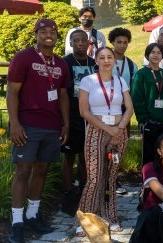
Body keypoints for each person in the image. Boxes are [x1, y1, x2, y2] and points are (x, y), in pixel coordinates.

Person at [7, 19, 70, 242]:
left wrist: (65, 123)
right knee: (23, 171)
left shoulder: (61, 63)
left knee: (42, 171)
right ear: (36, 34)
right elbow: (12, 92)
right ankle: (17, 222)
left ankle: (33, 216)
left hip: (51, 126)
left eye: (52, 30)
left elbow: (62, 95)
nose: (48, 34)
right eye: (43, 30)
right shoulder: (24, 58)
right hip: (27, 125)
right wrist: (14, 123)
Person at [76, 47, 133, 236]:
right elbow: (84, 111)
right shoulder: (88, 81)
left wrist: (120, 128)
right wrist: (108, 129)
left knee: (111, 176)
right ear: (96, 61)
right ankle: (86, 219)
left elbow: (129, 108)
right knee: (94, 177)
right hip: (96, 131)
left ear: (114, 61)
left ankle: (111, 217)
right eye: (102, 57)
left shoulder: (120, 81)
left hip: (119, 131)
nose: (106, 60)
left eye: (110, 57)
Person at [61, 29, 96, 214]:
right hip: (71, 115)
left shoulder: (93, 63)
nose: (81, 43)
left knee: (85, 156)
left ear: (89, 43)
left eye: (84, 40)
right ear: (72, 43)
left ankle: (84, 191)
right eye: (76, 40)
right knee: (68, 156)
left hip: (89, 116)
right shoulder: (64, 62)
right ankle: (67, 192)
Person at [132, 43, 163, 165]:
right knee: (149, 155)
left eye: (159, 52)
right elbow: (137, 98)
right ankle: (148, 182)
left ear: (162, 56)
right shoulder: (141, 74)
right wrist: (143, 119)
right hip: (149, 122)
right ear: (147, 55)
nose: (156, 55)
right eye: (153, 52)